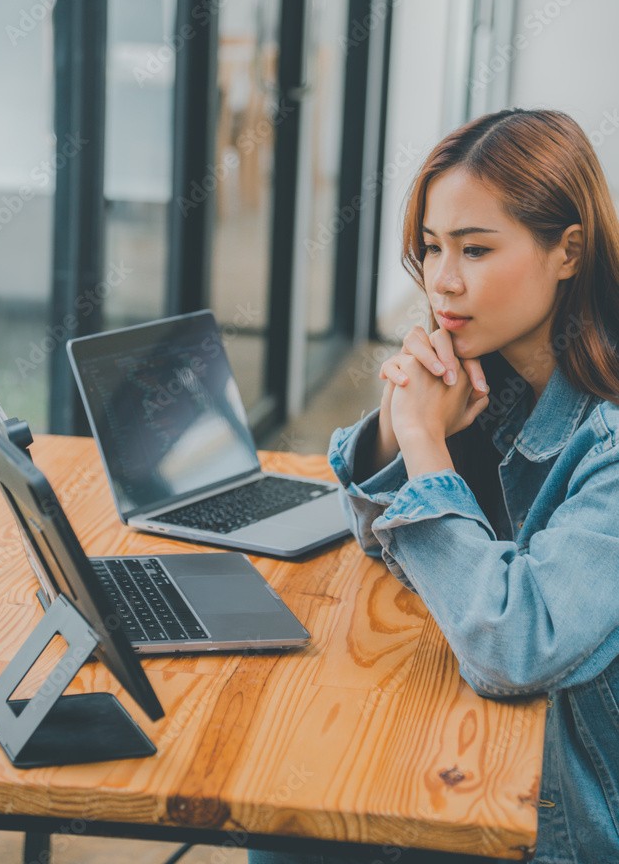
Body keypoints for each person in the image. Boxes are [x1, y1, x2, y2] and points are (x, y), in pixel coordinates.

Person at [249, 108, 619, 864]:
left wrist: (423, 442)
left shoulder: (607, 439)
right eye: (431, 249)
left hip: (561, 813)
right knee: (288, 813)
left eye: (476, 249)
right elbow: (378, 534)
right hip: (496, 756)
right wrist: (399, 420)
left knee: (298, 830)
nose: (443, 282)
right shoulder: (499, 373)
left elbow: (511, 647)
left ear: (567, 252)